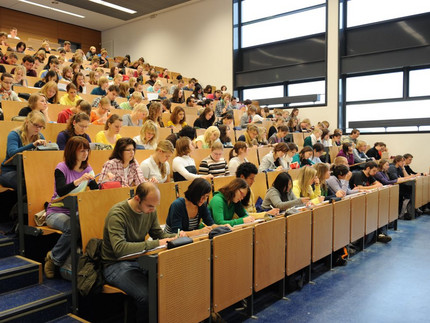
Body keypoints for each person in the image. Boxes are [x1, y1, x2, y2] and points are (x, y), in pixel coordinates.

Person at [101, 182, 178, 322]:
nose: (153, 210)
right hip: (115, 264)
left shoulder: (149, 210)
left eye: (155, 206)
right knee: (147, 295)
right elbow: (120, 250)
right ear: (137, 198)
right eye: (150, 206)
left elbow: (159, 235)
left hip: (139, 259)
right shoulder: (117, 214)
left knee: (171, 284)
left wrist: (176, 238)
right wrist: (156, 243)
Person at [44, 137, 98, 278]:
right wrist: (79, 181)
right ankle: (54, 260)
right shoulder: (61, 168)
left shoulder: (88, 168)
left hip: (76, 211)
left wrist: (103, 180)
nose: (85, 153)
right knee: (73, 226)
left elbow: (96, 190)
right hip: (56, 211)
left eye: (87, 150)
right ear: (72, 151)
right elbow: (61, 191)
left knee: (86, 224)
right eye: (81, 150)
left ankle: (68, 264)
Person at [0, 111, 46, 190]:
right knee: (28, 183)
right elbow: (12, 154)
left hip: (28, 171)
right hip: (10, 171)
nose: (38, 129)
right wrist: (33, 145)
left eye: (41, 127)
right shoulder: (14, 134)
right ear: (27, 122)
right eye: (35, 125)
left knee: (44, 180)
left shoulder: (40, 136)